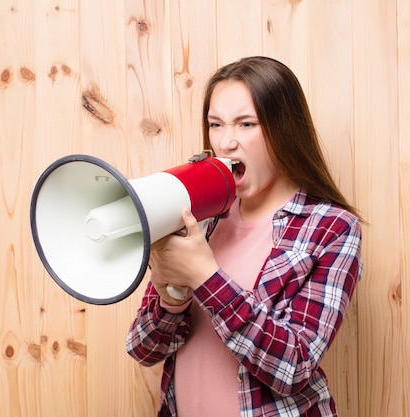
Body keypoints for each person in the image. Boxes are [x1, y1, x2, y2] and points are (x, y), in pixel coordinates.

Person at [126, 56, 363, 417]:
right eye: (215, 125)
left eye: (246, 124)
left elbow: (294, 366)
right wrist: (170, 295)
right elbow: (143, 350)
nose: (226, 143)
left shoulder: (331, 228)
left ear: (284, 130)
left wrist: (205, 277)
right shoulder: (198, 216)